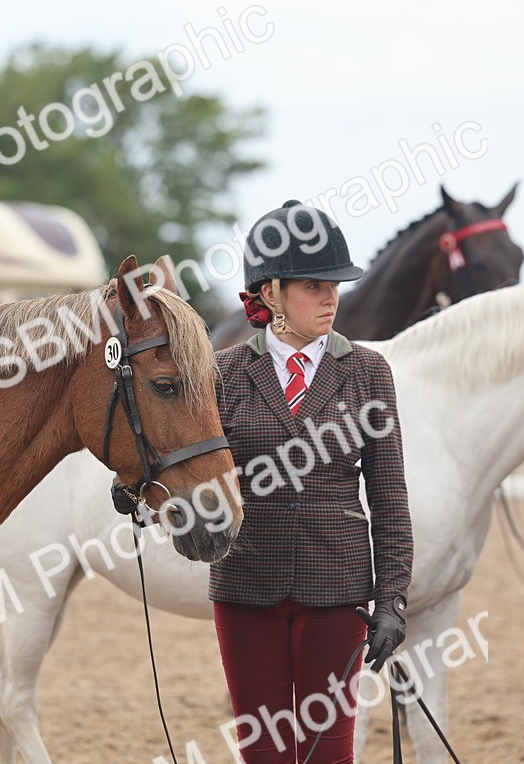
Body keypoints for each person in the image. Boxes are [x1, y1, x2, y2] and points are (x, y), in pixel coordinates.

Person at [211, 200, 414, 764]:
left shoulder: (369, 371)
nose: (331, 298)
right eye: (313, 285)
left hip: (339, 592)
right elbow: (192, 470)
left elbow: (389, 497)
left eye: (336, 285)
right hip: (247, 588)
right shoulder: (223, 373)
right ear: (270, 292)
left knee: (329, 752)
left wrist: (393, 596)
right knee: (265, 752)